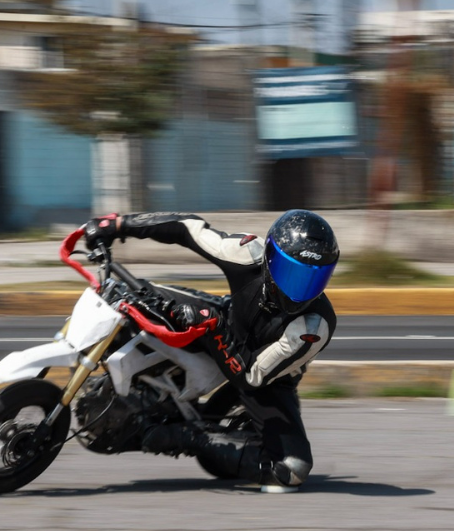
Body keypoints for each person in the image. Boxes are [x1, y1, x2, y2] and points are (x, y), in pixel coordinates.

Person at [84, 210, 339, 491]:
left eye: (313, 280)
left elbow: (252, 377)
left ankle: (184, 435)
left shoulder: (314, 326)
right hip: (221, 321)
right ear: (269, 258)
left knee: (291, 470)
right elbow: (186, 228)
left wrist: (214, 327)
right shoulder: (245, 254)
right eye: (291, 274)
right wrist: (119, 224)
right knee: (127, 296)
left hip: (265, 377)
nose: (298, 292)